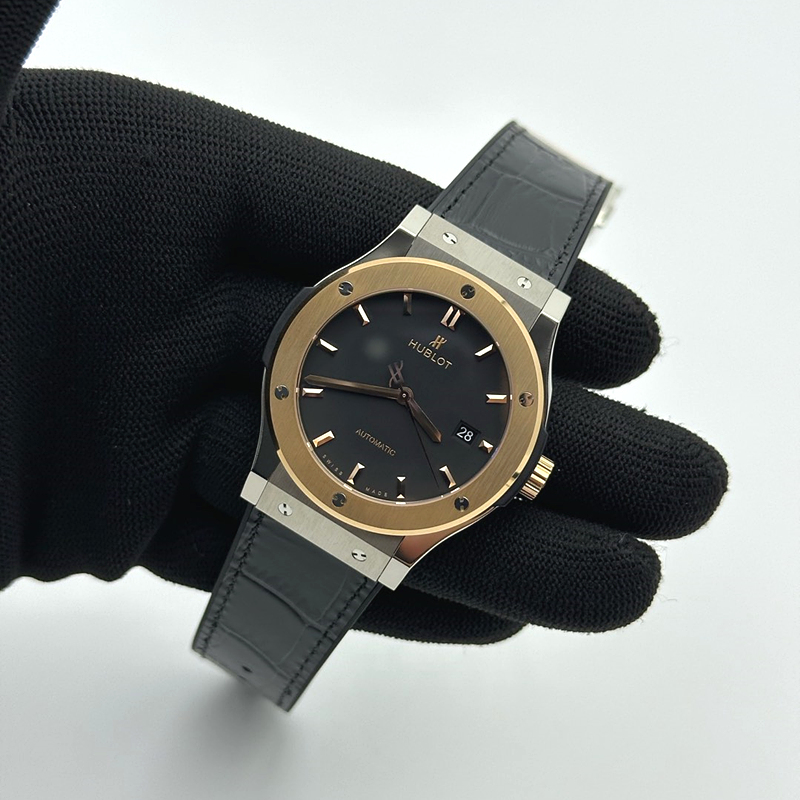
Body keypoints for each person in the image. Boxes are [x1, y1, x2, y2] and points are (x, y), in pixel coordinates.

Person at [0, 0, 727, 646]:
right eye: (403, 392)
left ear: (524, 477)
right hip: (341, 442)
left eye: (406, 395)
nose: (406, 396)